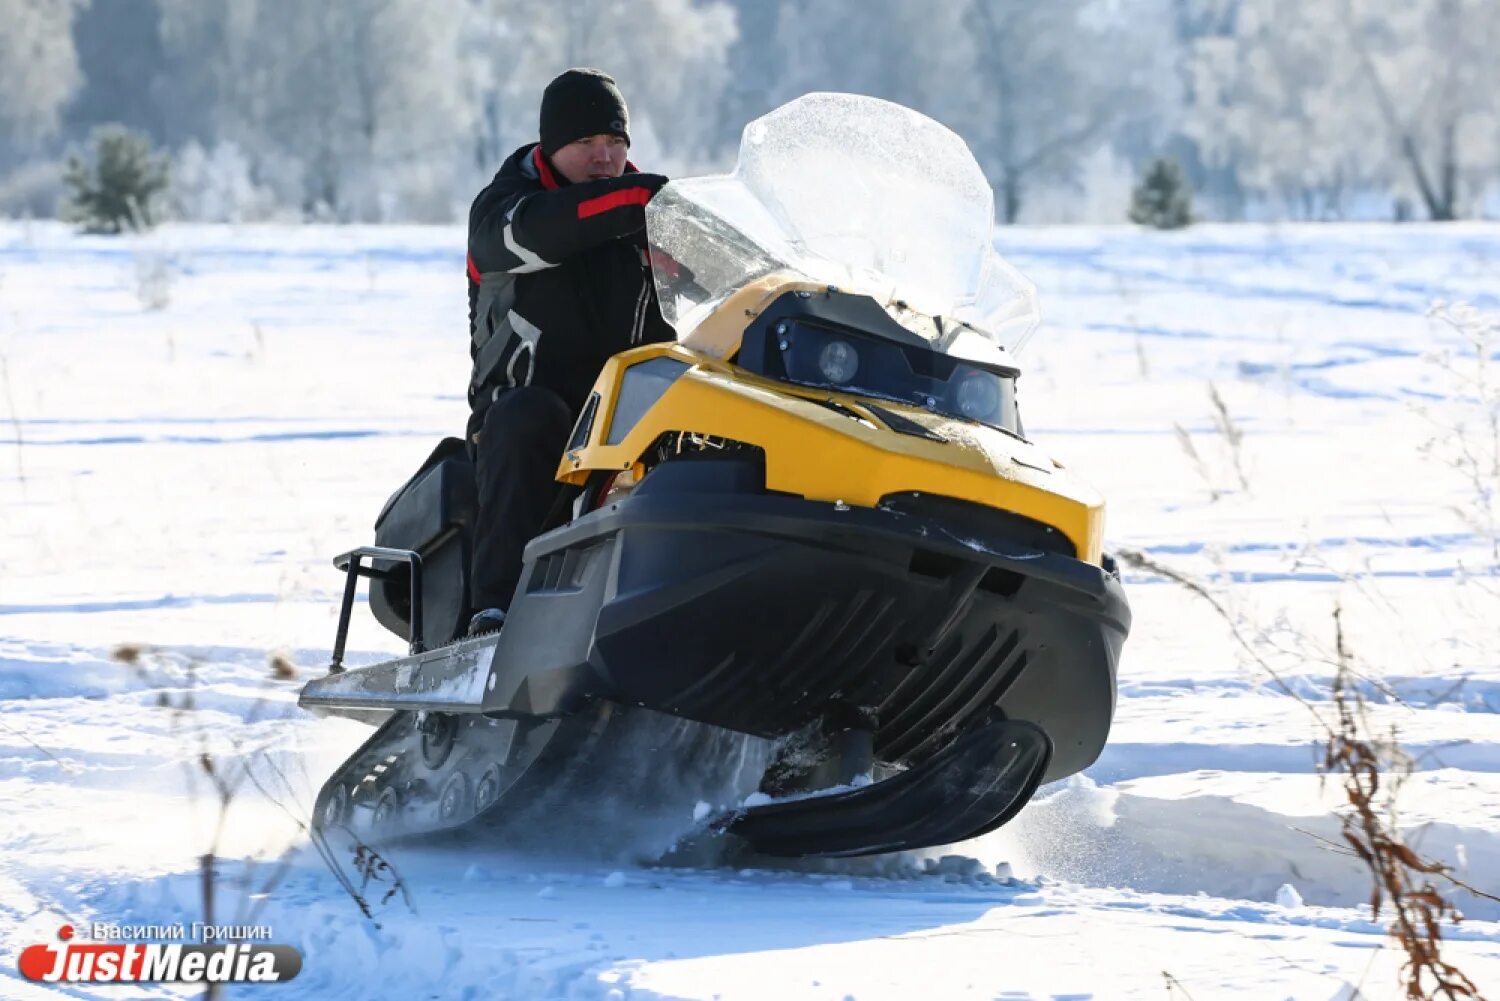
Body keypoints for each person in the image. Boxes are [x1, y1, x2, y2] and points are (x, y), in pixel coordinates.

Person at [464, 69, 674, 635]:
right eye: (585, 143)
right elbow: (548, 228)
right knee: (529, 417)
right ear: (550, 147)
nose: (603, 157)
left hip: (631, 423)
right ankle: (493, 614)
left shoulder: (653, 220)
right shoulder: (504, 211)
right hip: (527, 421)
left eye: (614, 142)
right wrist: (652, 203)